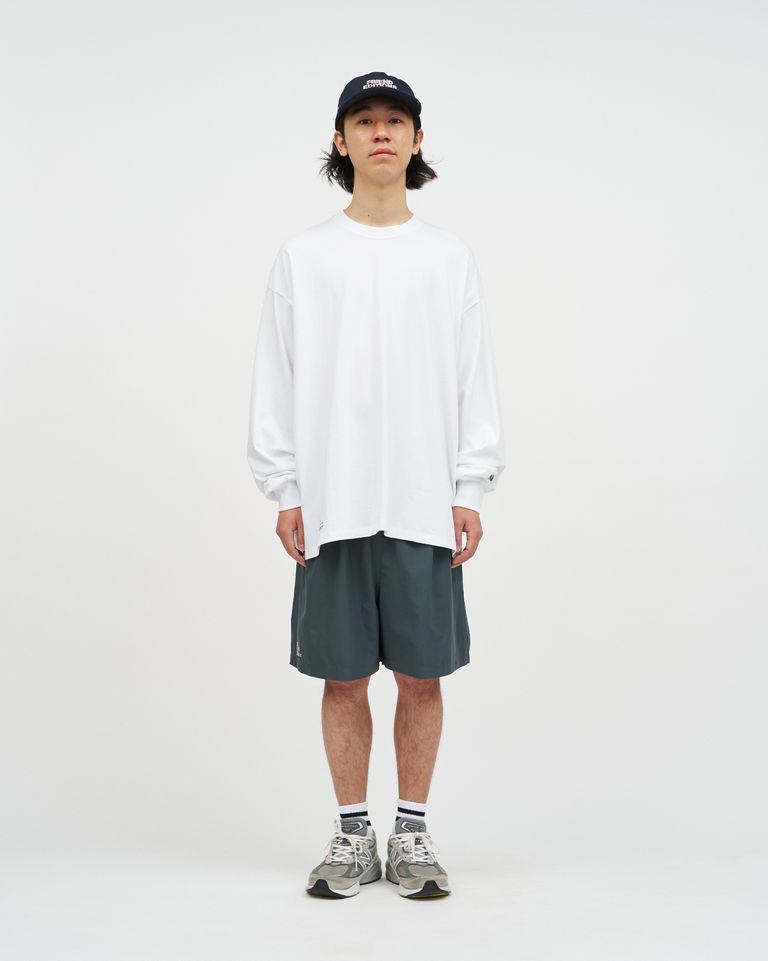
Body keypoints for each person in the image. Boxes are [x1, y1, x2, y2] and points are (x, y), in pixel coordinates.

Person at [246, 71, 505, 899]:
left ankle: (414, 831)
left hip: (425, 500)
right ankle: (354, 833)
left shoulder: (448, 257)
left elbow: (472, 376)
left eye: (396, 120)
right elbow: (276, 376)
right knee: (343, 673)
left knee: (423, 675)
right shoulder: (304, 256)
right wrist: (286, 487)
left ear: (418, 139)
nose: (381, 132)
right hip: (335, 500)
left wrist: (470, 485)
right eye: (364, 120)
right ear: (342, 140)